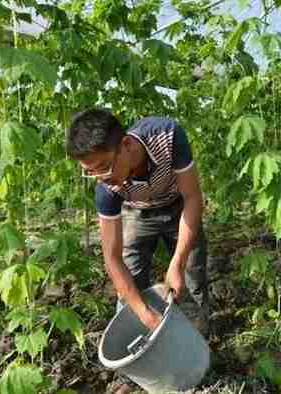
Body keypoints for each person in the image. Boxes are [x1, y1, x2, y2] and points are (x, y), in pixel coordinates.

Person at [66, 109, 209, 393]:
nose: (100, 178)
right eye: (90, 171)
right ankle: (136, 367)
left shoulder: (167, 136)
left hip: (179, 204)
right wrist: (144, 313)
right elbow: (112, 256)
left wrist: (177, 263)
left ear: (127, 146)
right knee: (130, 281)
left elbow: (193, 198)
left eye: (104, 167)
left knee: (192, 272)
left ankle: (197, 344)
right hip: (138, 211)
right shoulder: (106, 188)